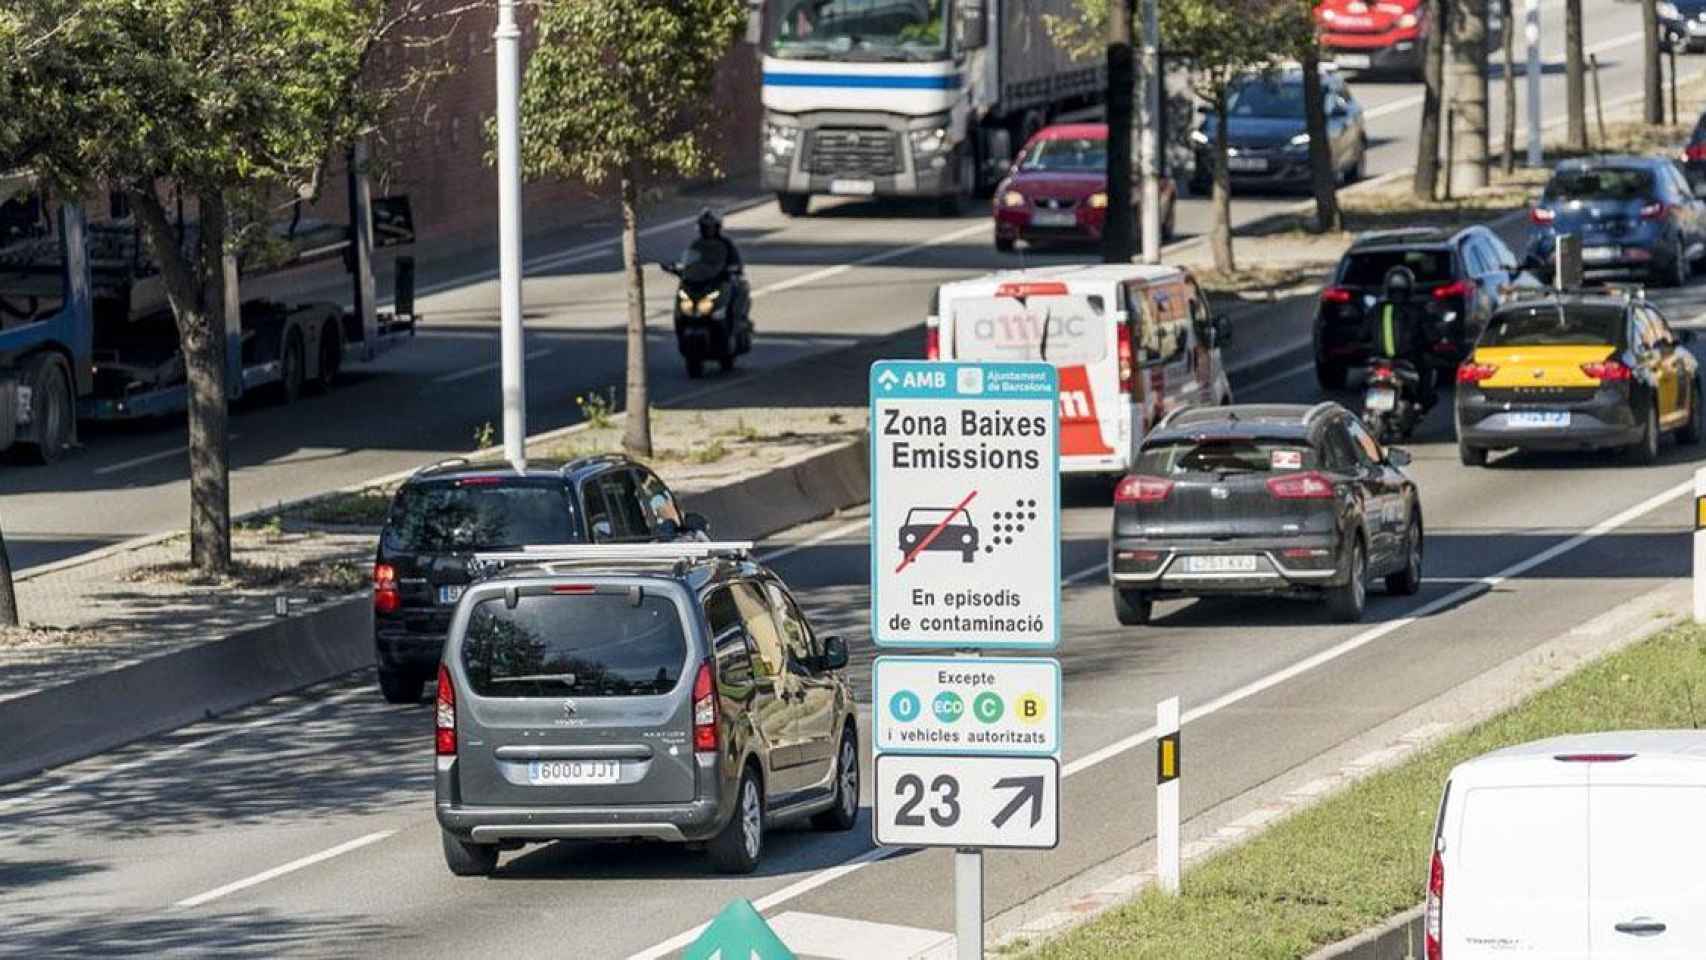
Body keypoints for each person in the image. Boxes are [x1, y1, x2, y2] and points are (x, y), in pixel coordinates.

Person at [1370, 265, 1437, 411]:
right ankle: (1419, 404)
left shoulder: (1377, 309)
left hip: (1379, 359)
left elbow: (1362, 334)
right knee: (1427, 374)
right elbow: (1431, 335)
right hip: (1408, 359)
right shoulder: (1416, 309)